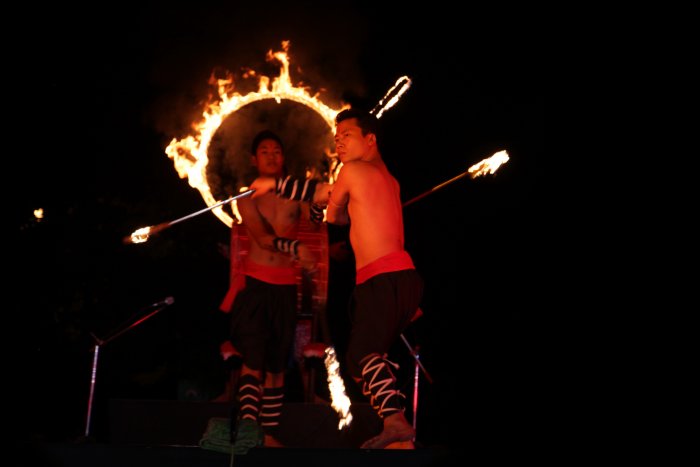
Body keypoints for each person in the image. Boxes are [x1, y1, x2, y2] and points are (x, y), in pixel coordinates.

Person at [252, 108, 423, 449]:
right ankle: (398, 435)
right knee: (370, 359)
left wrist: (282, 187)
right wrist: (325, 207)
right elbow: (340, 216)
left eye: (347, 135)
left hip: (382, 278)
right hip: (406, 280)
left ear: (370, 139)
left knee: (361, 356)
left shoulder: (352, 170)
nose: (339, 143)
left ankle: (396, 422)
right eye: (336, 138)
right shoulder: (390, 180)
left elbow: (330, 214)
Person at [220, 129, 316, 453]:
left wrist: (317, 198)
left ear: (283, 157)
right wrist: (295, 247)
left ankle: (268, 433)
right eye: (265, 151)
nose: (272, 156)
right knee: (253, 361)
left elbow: (316, 219)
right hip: (255, 287)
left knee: (276, 368)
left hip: (286, 288)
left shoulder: (295, 194)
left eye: (277, 151)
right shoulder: (246, 197)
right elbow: (262, 239)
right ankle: (248, 429)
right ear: (254, 159)